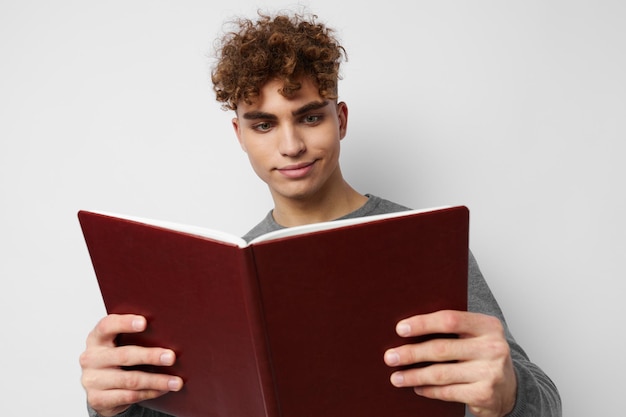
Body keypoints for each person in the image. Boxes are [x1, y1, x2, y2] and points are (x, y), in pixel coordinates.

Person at [79, 10, 562, 417]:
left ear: (341, 119)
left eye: (310, 116)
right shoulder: (222, 278)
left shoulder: (423, 241)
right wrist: (110, 405)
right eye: (264, 124)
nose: (291, 146)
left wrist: (509, 394)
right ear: (240, 136)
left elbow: (545, 402)